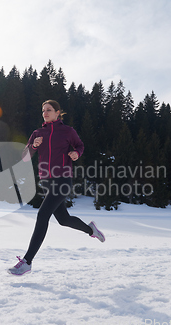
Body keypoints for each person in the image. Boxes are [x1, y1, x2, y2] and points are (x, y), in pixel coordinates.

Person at [8, 100, 105, 276]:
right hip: (47, 182)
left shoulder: (67, 131)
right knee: (63, 219)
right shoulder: (38, 133)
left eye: (49, 110)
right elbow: (25, 157)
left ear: (57, 113)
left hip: (63, 179)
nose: (45, 113)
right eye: (43, 110)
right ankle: (91, 230)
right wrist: (33, 146)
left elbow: (80, 145)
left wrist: (76, 153)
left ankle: (27, 262)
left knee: (42, 215)